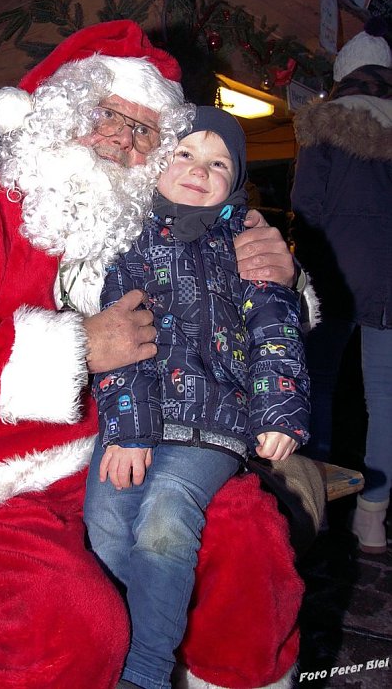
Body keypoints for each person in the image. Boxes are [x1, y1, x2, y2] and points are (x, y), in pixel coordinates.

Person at [0, 20, 303, 689]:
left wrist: (276, 279)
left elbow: (242, 330)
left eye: (146, 130)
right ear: (57, 117)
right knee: (74, 622)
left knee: (248, 540)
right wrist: (75, 348)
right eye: (107, 115)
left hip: (123, 454)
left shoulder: (154, 233)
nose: (123, 138)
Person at [84, 107, 310, 689]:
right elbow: (119, 341)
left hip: (213, 421)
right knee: (107, 522)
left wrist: (279, 411)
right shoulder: (126, 242)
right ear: (156, 163)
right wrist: (129, 431)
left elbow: (276, 332)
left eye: (217, 163)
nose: (197, 169)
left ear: (233, 184)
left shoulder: (246, 245)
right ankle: (129, 641)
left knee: (165, 517)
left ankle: (146, 672)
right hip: (134, 418)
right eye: (184, 153)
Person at [291, 19, 392, 553]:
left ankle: (317, 506)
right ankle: (372, 519)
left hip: (334, 276)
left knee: (318, 385)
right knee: (386, 399)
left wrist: (303, 268)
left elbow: (306, 207)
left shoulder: (325, 121)